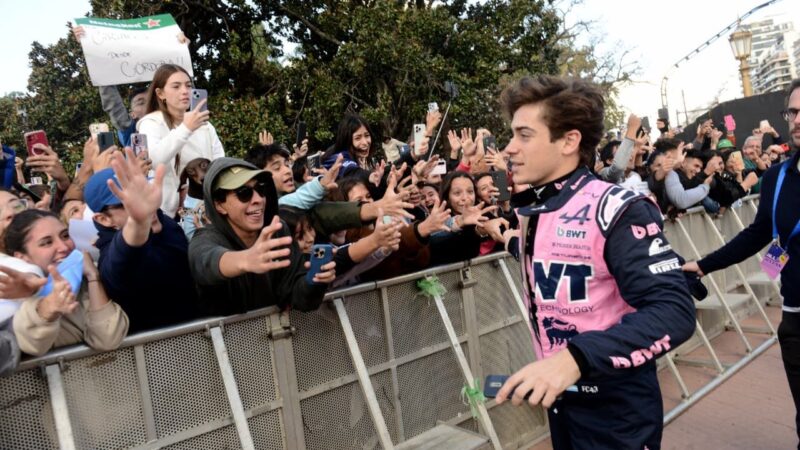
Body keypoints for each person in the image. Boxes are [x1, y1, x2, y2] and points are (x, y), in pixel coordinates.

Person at [493, 75, 695, 450]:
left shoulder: (617, 208)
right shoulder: (537, 209)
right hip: (563, 401)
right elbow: (550, 255)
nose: (509, 148)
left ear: (569, 141)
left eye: (524, 135)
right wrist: (507, 239)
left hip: (616, 410)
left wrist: (574, 358)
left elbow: (674, 311)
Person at [683, 78, 800, 448]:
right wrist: (703, 265)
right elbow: (760, 234)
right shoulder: (778, 177)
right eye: (793, 112)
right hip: (796, 316)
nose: (797, 119)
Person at [188, 158, 336, 317]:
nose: (258, 199)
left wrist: (315, 281)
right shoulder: (205, 238)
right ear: (219, 205)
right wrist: (245, 259)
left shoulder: (277, 230)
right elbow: (205, 262)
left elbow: (296, 296)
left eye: (260, 189)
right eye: (244, 193)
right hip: (224, 340)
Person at [86, 150, 200, 333]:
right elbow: (125, 252)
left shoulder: (168, 225)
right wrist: (139, 222)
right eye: (126, 203)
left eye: (143, 193)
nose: (145, 205)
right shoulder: (110, 256)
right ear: (104, 219)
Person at [6, 210, 129, 356]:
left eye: (65, 236)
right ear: (22, 257)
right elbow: (33, 345)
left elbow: (108, 338)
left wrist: (93, 277)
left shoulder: (86, 280)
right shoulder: (14, 294)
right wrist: (47, 309)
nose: (64, 247)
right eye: (46, 243)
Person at [136, 63, 225, 218]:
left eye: (188, 86)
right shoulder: (151, 122)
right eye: (176, 86)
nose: (185, 91)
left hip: (208, 208)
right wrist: (186, 128)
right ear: (160, 93)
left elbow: (219, 162)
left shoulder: (205, 125)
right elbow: (155, 160)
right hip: (168, 215)